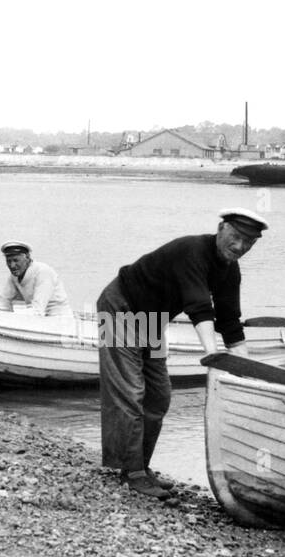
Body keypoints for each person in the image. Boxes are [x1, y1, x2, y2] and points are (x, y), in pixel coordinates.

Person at [97, 208, 265, 499]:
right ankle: (132, 472)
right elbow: (199, 307)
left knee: (159, 395)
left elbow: (229, 323)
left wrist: (250, 372)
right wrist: (214, 358)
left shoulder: (229, 270)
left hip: (151, 320)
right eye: (236, 237)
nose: (239, 247)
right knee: (129, 392)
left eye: (248, 243)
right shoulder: (192, 251)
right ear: (221, 228)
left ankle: (142, 467)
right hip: (119, 306)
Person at [0, 241, 72, 317]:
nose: (12, 266)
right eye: (9, 261)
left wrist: (10, 315)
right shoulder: (14, 276)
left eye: (16, 260)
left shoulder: (43, 272)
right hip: (40, 320)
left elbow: (37, 310)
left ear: (27, 258)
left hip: (60, 320)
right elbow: (4, 301)